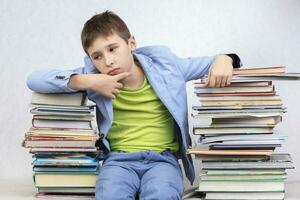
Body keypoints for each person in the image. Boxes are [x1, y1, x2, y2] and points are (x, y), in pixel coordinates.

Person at [27, 10, 241, 200]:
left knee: (163, 193)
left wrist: (225, 59)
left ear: (131, 43)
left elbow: (214, 61)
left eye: (113, 49)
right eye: (97, 56)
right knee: (110, 194)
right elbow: (34, 79)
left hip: (162, 160)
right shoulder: (95, 78)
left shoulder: (165, 67)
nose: (108, 61)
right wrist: (87, 81)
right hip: (119, 160)